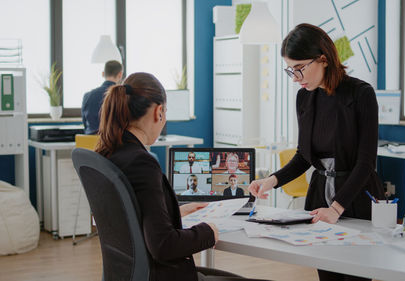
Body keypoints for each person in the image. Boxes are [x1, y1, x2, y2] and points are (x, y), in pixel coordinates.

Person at [248, 23, 384, 281]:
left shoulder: (361, 94)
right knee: (328, 275)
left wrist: (336, 207)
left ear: (323, 59)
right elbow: (304, 156)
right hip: (318, 200)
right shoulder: (305, 98)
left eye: (300, 68)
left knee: (356, 275)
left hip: (356, 198)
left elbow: (366, 163)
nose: (296, 78)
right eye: (291, 70)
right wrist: (271, 181)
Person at [95, 72, 250, 281]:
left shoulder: (110, 152)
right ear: (159, 112)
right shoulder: (142, 162)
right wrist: (208, 231)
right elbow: (163, 245)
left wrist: (174, 211)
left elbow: (129, 217)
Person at [82, 60, 123, 135]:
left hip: (89, 143)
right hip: (112, 143)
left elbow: (85, 124)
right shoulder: (122, 96)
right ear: (120, 74)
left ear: (103, 74)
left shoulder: (87, 96)